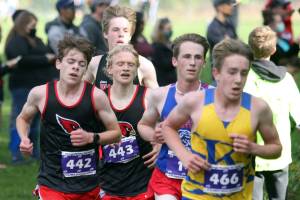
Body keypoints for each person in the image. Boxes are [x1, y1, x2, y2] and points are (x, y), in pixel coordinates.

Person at [162, 38, 282, 200]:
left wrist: (254, 148)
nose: (238, 80)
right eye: (232, 72)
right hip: (196, 196)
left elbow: (276, 148)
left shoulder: (258, 108)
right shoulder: (194, 102)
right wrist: (185, 155)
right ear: (216, 73)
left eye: (244, 73)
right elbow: (168, 127)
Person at [16, 36, 121, 200]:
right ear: (58, 63)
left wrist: (91, 137)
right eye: (71, 62)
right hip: (52, 181)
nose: (75, 68)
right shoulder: (40, 93)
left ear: (86, 69)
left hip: (88, 183)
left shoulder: (96, 96)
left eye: (81, 64)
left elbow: (116, 133)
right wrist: (24, 138)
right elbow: (23, 118)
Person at [138, 33, 212, 200]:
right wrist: (154, 136)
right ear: (174, 61)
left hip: (201, 177)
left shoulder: (214, 96)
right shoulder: (160, 95)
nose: (192, 63)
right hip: (167, 177)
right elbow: (143, 125)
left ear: (204, 63)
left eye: (198, 57)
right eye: (186, 56)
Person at [245, 26, 300, 200]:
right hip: (280, 153)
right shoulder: (287, 80)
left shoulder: (245, 78)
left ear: (250, 48)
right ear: (274, 49)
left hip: (252, 154)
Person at [98, 44, 155, 199]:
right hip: (107, 182)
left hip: (143, 182)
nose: (126, 68)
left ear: (136, 69)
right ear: (109, 68)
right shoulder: (97, 98)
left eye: (131, 65)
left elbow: (169, 126)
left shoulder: (149, 97)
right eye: (120, 64)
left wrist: (161, 145)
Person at [5, 10, 57, 163]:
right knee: (21, 121)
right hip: (22, 87)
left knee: (35, 124)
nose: (34, 28)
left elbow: (50, 54)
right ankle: (17, 154)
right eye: (32, 25)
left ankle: (33, 152)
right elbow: (21, 60)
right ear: (23, 25)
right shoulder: (15, 42)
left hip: (37, 88)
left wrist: (49, 58)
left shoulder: (36, 40)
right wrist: (44, 59)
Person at [85, 5, 158, 90]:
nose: (121, 34)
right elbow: (80, 96)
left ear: (130, 35)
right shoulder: (94, 64)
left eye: (125, 30)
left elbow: (157, 100)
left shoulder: (144, 65)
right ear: (105, 33)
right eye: (116, 30)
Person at [151, 17, 176, 86]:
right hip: (162, 83)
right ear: (160, 30)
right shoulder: (156, 46)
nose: (170, 31)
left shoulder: (171, 44)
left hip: (172, 81)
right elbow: (165, 64)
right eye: (168, 29)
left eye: (171, 29)